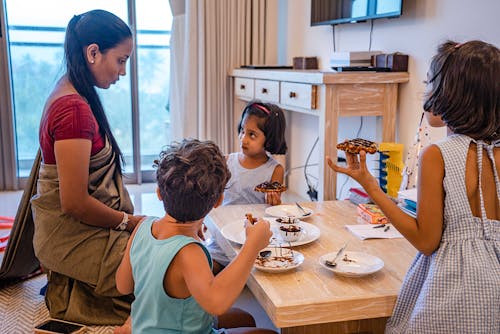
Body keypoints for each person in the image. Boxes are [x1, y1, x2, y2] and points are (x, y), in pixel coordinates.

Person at [327, 40, 499, 333]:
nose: (426, 93)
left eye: (430, 85)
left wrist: (371, 186)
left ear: (451, 96)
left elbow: (426, 241)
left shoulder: (437, 155)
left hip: (453, 294)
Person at [31, 10, 145, 325]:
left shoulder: (71, 88)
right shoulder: (73, 110)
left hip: (84, 228)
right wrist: (128, 221)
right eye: (121, 60)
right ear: (93, 52)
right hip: (71, 234)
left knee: (164, 249)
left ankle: (79, 284)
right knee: (165, 267)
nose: (123, 72)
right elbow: (74, 203)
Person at [115, 139, 277, 334]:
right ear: (218, 201)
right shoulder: (189, 252)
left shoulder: (142, 226)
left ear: (159, 193)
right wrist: (252, 246)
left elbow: (123, 285)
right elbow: (216, 303)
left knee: (245, 318)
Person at [223, 100, 288, 206]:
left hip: (257, 221)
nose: (243, 139)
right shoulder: (226, 162)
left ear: (269, 139)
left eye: (252, 135)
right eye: (242, 131)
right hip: (225, 220)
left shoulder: (275, 170)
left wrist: (275, 201)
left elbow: (272, 207)